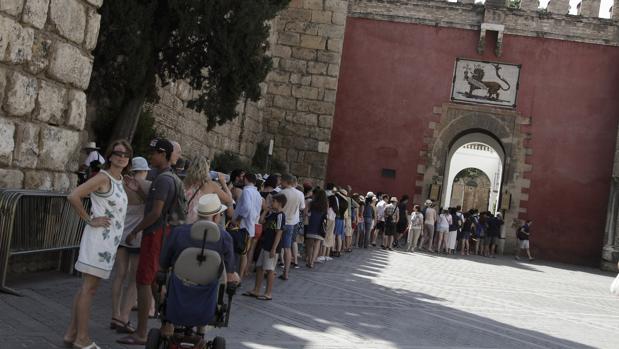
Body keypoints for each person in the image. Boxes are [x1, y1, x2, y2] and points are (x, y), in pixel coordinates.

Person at [64, 140, 132, 349]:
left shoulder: (120, 180)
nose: (122, 157)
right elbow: (74, 196)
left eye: (126, 154)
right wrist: (89, 219)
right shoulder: (103, 177)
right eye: (118, 153)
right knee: (89, 289)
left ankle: (72, 334)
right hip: (98, 241)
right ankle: (82, 338)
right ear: (110, 155)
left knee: (87, 288)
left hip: (108, 244)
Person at [117, 138, 179, 346]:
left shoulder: (162, 180)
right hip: (160, 234)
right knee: (152, 283)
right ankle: (166, 324)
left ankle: (141, 332)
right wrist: (138, 189)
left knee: (144, 282)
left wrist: (135, 231)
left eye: (154, 153)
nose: (151, 156)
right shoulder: (167, 178)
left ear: (163, 154)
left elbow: (155, 212)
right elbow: (154, 203)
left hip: (155, 235)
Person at [158, 194, 240, 336]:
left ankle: (167, 324)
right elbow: (231, 272)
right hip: (208, 291)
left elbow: (164, 262)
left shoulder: (178, 232)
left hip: (179, 288)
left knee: (163, 275)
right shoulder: (225, 238)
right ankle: (201, 329)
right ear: (215, 217)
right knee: (229, 277)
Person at [110, 157, 151, 335]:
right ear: (145, 170)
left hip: (120, 234)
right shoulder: (146, 185)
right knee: (134, 279)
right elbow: (152, 207)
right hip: (136, 236)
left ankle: (115, 314)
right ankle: (124, 317)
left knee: (119, 275)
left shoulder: (122, 185)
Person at [244, 193, 287, 300]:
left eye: (274, 201)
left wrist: (274, 248)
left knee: (270, 269)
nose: (272, 203)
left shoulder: (281, 215)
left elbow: (279, 232)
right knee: (259, 267)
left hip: (272, 246)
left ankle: (268, 293)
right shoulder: (272, 214)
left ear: (280, 203)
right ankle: (256, 290)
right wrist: (266, 211)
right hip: (265, 244)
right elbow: (261, 221)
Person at [183, 155, 233, 225]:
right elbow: (229, 200)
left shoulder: (185, 181)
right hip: (199, 224)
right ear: (206, 168)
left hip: (183, 222)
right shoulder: (210, 185)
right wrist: (223, 184)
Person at [232, 173, 263, 280]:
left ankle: (237, 276)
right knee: (244, 252)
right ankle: (239, 276)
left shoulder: (246, 191)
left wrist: (238, 219)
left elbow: (246, 208)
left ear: (246, 179)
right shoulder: (258, 194)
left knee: (241, 253)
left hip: (242, 226)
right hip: (251, 226)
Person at [279, 175, 305, 280]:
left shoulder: (282, 193)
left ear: (286, 181)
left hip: (281, 221)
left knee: (276, 246)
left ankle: (270, 270)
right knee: (287, 248)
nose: (280, 182)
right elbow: (302, 207)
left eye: (282, 180)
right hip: (292, 222)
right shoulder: (300, 194)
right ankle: (286, 272)